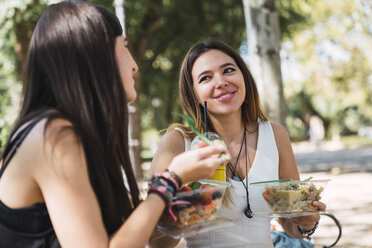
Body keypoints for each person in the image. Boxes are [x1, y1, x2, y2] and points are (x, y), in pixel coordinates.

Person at [0, 2, 230, 247]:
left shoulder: (60, 131)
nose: (135, 65)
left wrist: (177, 196)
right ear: (96, 56)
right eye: (125, 46)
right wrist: (171, 179)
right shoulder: (54, 136)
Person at [150, 40, 326, 247]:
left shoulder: (275, 134)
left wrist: (306, 223)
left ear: (244, 77)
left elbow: (290, 225)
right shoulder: (178, 142)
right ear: (194, 94)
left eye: (228, 70)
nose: (221, 82)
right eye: (206, 78)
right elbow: (157, 243)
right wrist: (188, 207)